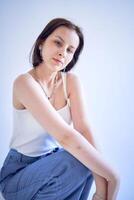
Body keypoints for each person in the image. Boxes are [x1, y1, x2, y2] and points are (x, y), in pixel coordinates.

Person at [0, 18, 120, 200]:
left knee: (85, 157)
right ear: (41, 43)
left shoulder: (71, 82)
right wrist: (113, 177)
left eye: (70, 50)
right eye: (58, 43)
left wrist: (101, 188)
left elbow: (84, 130)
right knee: (78, 157)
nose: (62, 53)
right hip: (18, 174)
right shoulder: (24, 83)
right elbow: (66, 137)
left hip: (52, 166)